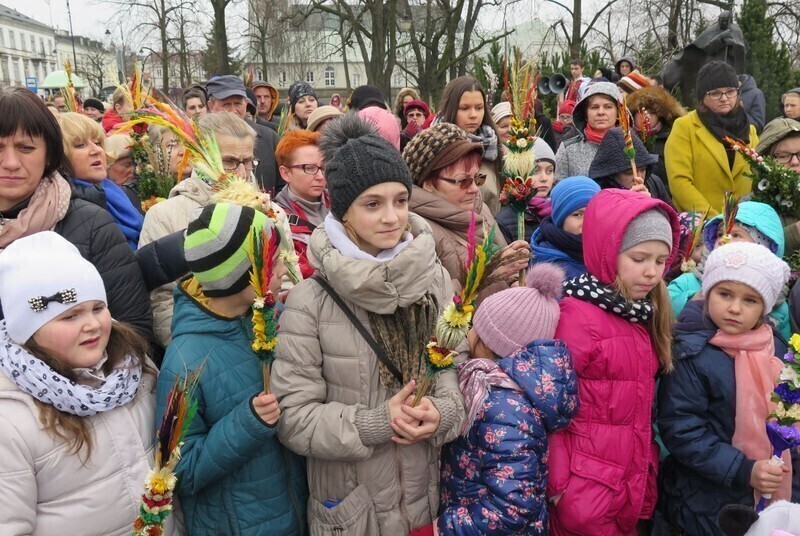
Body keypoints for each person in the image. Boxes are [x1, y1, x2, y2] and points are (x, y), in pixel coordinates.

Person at [271, 113, 466, 534]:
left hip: (426, 501)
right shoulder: (311, 302)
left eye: (401, 200)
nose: (392, 217)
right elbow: (293, 418)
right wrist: (374, 422)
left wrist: (444, 411)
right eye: (372, 204)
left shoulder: (434, 280)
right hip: (354, 513)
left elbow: (452, 365)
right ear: (343, 212)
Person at [0, 232, 171, 536]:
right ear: (29, 330)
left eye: (97, 308)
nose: (92, 324)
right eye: (70, 316)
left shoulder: (135, 367)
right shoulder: (11, 418)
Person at [156, 202, 306, 535]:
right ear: (239, 275)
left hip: (295, 511)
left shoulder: (268, 318)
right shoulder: (184, 362)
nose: (284, 268)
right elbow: (180, 471)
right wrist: (247, 423)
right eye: (272, 260)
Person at [547, 189, 679, 535]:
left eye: (660, 261)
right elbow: (549, 407)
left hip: (624, 486)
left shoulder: (642, 314)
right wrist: (560, 489)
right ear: (607, 251)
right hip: (583, 493)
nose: (651, 272)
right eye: (639, 258)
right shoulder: (577, 318)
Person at [658, 242, 791, 535]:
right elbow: (682, 430)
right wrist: (745, 470)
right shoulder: (691, 353)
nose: (734, 308)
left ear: (764, 308)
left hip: (768, 490)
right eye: (725, 294)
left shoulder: (775, 348)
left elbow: (788, 414)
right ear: (708, 293)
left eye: (750, 300)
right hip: (705, 502)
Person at [438, 264, 578, 534]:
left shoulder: (503, 408)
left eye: (475, 327)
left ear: (488, 343)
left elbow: (511, 506)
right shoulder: (507, 391)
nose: (469, 333)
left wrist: (441, 529)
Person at [139, 111, 257, 347]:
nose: (242, 173)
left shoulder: (269, 210)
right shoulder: (164, 216)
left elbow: (287, 280)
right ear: (199, 158)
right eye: (230, 162)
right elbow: (162, 302)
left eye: (248, 161)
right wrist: (193, 349)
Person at [403, 122, 528, 300]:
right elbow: (431, 302)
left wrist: (514, 279)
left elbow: (501, 262)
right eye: (462, 181)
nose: (475, 189)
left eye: (478, 178)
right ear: (428, 183)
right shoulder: (416, 229)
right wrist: (490, 273)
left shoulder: (480, 208)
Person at [667, 201, 791, 340]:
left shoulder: (778, 303)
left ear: (762, 246)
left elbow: (782, 345)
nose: (723, 240)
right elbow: (662, 311)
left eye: (736, 235)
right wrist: (692, 300)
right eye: (720, 234)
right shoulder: (689, 282)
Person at [665, 61, 759, 216]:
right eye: (715, 93)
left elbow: (758, 178)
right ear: (702, 97)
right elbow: (679, 182)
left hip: (744, 222)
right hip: (700, 223)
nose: (724, 98)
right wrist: (714, 220)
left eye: (730, 91)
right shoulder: (684, 127)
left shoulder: (750, 130)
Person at [58, 112, 144, 250]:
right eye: (80, 145)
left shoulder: (111, 191)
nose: (96, 150)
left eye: (97, 143)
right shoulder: (65, 208)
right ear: (59, 157)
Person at [205, 75, 282, 195]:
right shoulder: (201, 142)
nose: (233, 110)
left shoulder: (270, 139)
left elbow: (283, 185)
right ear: (211, 106)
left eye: (238, 103)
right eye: (226, 104)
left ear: (246, 104)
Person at [438, 76, 503, 214]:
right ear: (450, 108)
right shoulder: (434, 149)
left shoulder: (494, 148)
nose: (473, 115)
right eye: (464, 108)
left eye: (479, 108)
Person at [273, 129, 328, 279]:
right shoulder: (277, 221)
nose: (320, 176)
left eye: (323, 168)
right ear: (286, 173)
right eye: (309, 168)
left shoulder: (342, 203)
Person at [529, 176, 601, 279]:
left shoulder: (609, 252)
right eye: (578, 215)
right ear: (560, 220)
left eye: (593, 213)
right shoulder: (551, 269)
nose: (587, 222)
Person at [587, 127, 674, 206]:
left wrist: (652, 204)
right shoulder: (600, 195)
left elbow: (673, 216)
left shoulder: (654, 183)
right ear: (612, 174)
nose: (638, 178)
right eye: (629, 173)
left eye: (643, 169)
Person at [555, 82, 623, 180]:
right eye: (594, 107)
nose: (601, 112)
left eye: (608, 107)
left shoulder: (630, 147)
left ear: (619, 112)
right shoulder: (568, 149)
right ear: (585, 114)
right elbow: (558, 186)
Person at [496, 138, 557, 243]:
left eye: (549, 170)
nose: (544, 178)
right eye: (535, 171)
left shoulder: (561, 211)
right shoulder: (505, 221)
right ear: (519, 174)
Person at [627, 86, 687, 187]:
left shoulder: (672, 139)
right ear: (633, 114)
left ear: (660, 116)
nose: (646, 116)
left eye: (652, 113)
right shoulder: (625, 140)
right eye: (641, 111)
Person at [756, 117, 800, 254]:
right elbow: (750, 252)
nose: (795, 162)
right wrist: (795, 233)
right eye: (782, 156)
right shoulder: (753, 207)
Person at [104, 133, 142, 214]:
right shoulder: (100, 199)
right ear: (107, 167)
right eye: (127, 165)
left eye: (136, 164)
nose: (134, 170)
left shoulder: (143, 193)